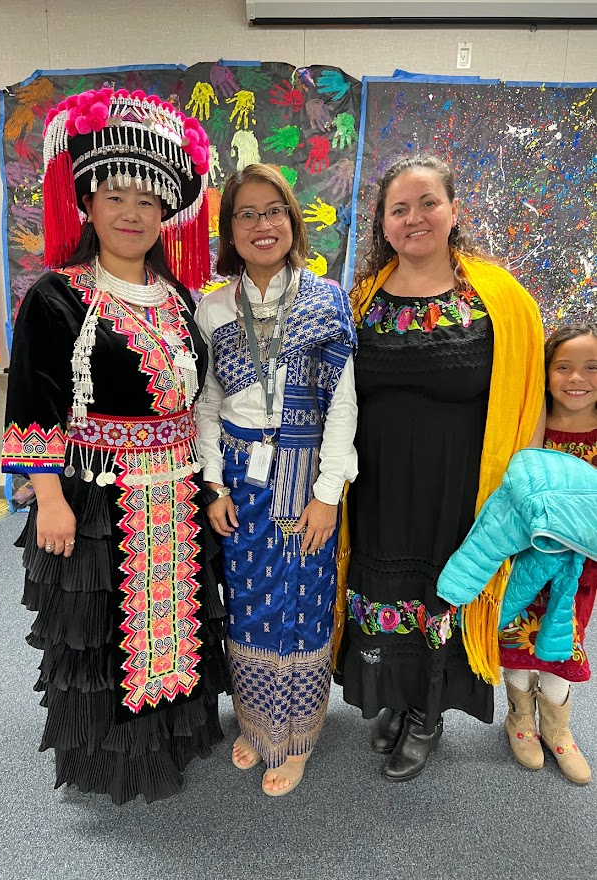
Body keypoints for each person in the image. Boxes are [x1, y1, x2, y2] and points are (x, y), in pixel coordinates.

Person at [1, 86, 229, 804]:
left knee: (178, 619)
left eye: (147, 201)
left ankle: (173, 742)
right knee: (104, 635)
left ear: (165, 213)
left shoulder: (179, 297)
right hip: (96, 495)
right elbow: (35, 405)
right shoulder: (57, 296)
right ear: (89, 206)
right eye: (116, 197)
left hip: (179, 489)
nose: (132, 214)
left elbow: (197, 401)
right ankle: (111, 764)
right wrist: (48, 502)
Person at [339, 154, 545, 782]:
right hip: (377, 488)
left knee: (443, 592)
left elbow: (530, 399)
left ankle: (427, 714)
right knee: (383, 595)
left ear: (455, 211)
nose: (414, 218)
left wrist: (518, 493)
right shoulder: (362, 299)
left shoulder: (502, 299)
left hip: (460, 488)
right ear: (383, 223)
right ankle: (395, 700)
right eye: (399, 208)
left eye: (428, 203)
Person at [195, 163, 357, 796]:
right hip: (239, 474)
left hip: (306, 475)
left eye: (273, 212)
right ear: (230, 229)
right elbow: (206, 402)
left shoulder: (325, 299)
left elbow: (342, 406)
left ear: (292, 220)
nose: (262, 225)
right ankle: (258, 725)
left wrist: (327, 495)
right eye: (246, 214)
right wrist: (215, 484)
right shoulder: (212, 307)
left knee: (305, 604)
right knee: (251, 602)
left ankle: (298, 737)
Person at [499, 322, 597, 784]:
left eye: (591, 368)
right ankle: (519, 719)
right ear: (545, 372)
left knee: (562, 641)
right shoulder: (531, 423)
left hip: (580, 569)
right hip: (528, 561)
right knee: (516, 636)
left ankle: (558, 729)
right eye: (564, 367)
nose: (577, 379)